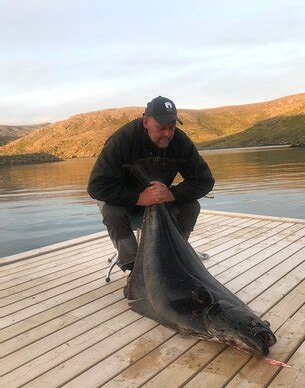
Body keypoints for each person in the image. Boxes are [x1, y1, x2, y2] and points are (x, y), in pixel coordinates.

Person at [87, 95, 215, 273]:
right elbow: (96, 186)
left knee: (192, 206)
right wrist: (138, 198)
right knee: (111, 211)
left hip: (160, 200)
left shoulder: (180, 141)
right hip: (127, 202)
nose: (168, 134)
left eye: (172, 127)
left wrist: (173, 194)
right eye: (161, 128)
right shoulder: (122, 140)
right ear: (146, 121)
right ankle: (133, 267)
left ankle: (175, 254)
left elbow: (205, 180)